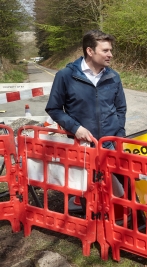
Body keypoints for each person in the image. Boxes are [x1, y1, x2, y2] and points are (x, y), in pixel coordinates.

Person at [45, 30, 126, 208]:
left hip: (110, 144)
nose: (110, 54)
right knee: (87, 194)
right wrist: (75, 128)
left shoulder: (114, 77)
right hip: (82, 147)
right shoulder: (65, 76)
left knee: (119, 192)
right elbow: (54, 108)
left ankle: (115, 228)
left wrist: (119, 135)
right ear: (90, 51)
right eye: (105, 50)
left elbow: (120, 108)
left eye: (110, 50)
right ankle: (92, 230)